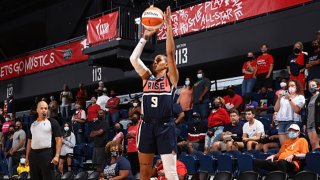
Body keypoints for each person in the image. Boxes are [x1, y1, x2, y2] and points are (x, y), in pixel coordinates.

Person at [129, 6, 179, 180]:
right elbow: (133, 59)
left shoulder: (171, 79)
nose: (156, 61)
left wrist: (169, 26)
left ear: (166, 65)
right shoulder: (147, 78)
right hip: (147, 125)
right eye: (155, 60)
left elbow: (171, 54)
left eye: (160, 60)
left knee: (171, 173)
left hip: (166, 126)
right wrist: (144, 37)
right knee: (144, 172)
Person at [26, 101, 62, 180]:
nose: (44, 110)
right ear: (37, 110)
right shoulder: (33, 124)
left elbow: (59, 139)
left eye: (45, 108)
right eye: (41, 108)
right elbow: (29, 141)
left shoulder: (53, 122)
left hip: (46, 154)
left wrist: (57, 156)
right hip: (33, 155)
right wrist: (27, 156)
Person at [274, 80, 305, 144]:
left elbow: (297, 110)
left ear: (297, 87)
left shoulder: (300, 97)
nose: (290, 87)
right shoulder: (283, 97)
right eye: (289, 86)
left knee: (291, 144)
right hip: (282, 122)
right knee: (283, 145)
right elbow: (276, 109)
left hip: (293, 122)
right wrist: (279, 98)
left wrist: (290, 98)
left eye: (292, 86)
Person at [304, 80, 320, 150]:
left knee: (317, 144)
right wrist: (305, 123)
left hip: (317, 123)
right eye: (309, 86)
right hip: (309, 124)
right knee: (312, 144)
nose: (311, 87)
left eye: (313, 85)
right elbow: (306, 112)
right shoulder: (308, 99)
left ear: (318, 87)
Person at [127, 112, 141, 177]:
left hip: (136, 149)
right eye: (133, 117)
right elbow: (127, 136)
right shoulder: (130, 127)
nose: (133, 118)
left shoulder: (139, 126)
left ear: (138, 118)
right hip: (129, 150)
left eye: (135, 117)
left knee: (137, 166)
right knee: (131, 166)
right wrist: (128, 136)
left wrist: (132, 136)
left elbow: (141, 138)